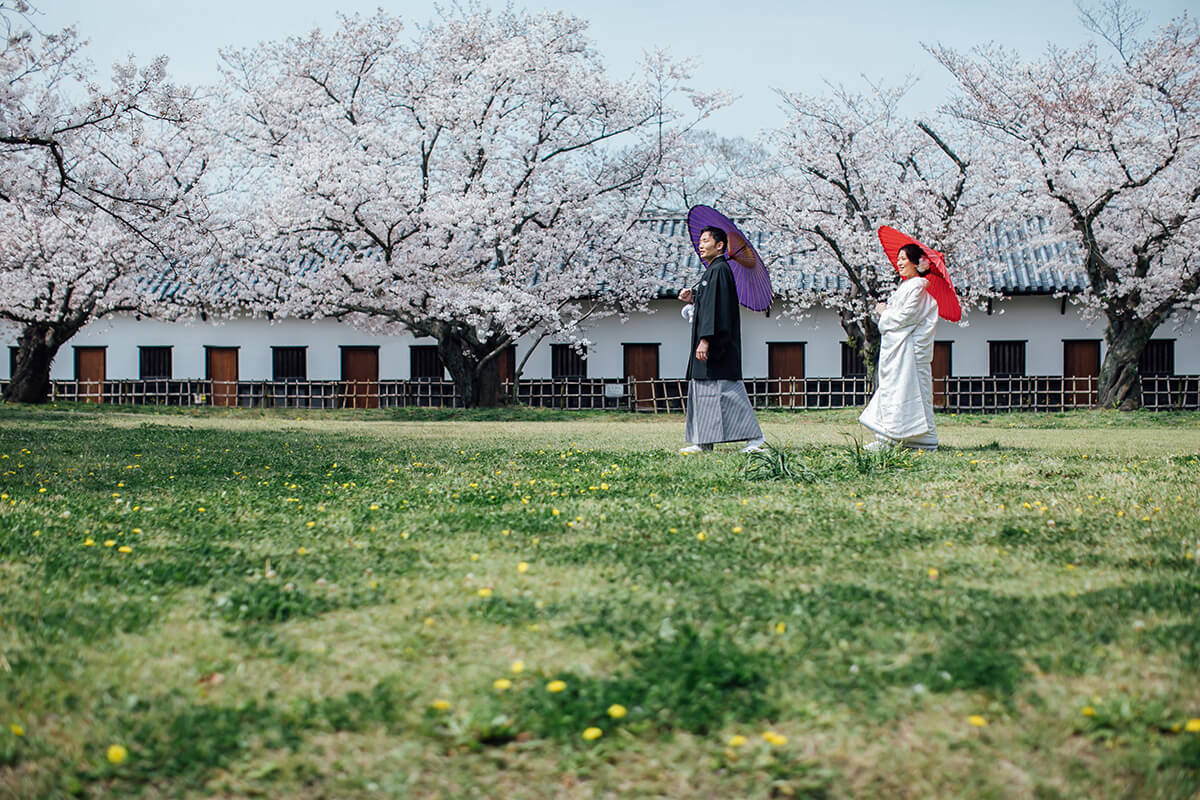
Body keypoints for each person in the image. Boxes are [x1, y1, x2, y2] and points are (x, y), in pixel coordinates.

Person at [677, 226, 765, 454]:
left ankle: (755, 438)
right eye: (700, 240)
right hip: (710, 346)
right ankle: (703, 442)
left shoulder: (720, 270)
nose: (701, 244)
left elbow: (718, 309)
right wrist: (693, 297)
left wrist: (706, 339)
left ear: (720, 246)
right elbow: (708, 303)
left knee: (728, 391)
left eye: (706, 240)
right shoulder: (713, 271)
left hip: (718, 346)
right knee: (703, 391)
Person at [859, 243, 939, 451]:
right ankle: (896, 438)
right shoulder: (907, 287)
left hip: (908, 352)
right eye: (899, 258)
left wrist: (884, 313)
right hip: (899, 351)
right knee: (897, 392)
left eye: (904, 258)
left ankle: (916, 440)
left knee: (909, 393)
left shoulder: (918, 289)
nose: (900, 262)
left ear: (917, 263)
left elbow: (905, 318)